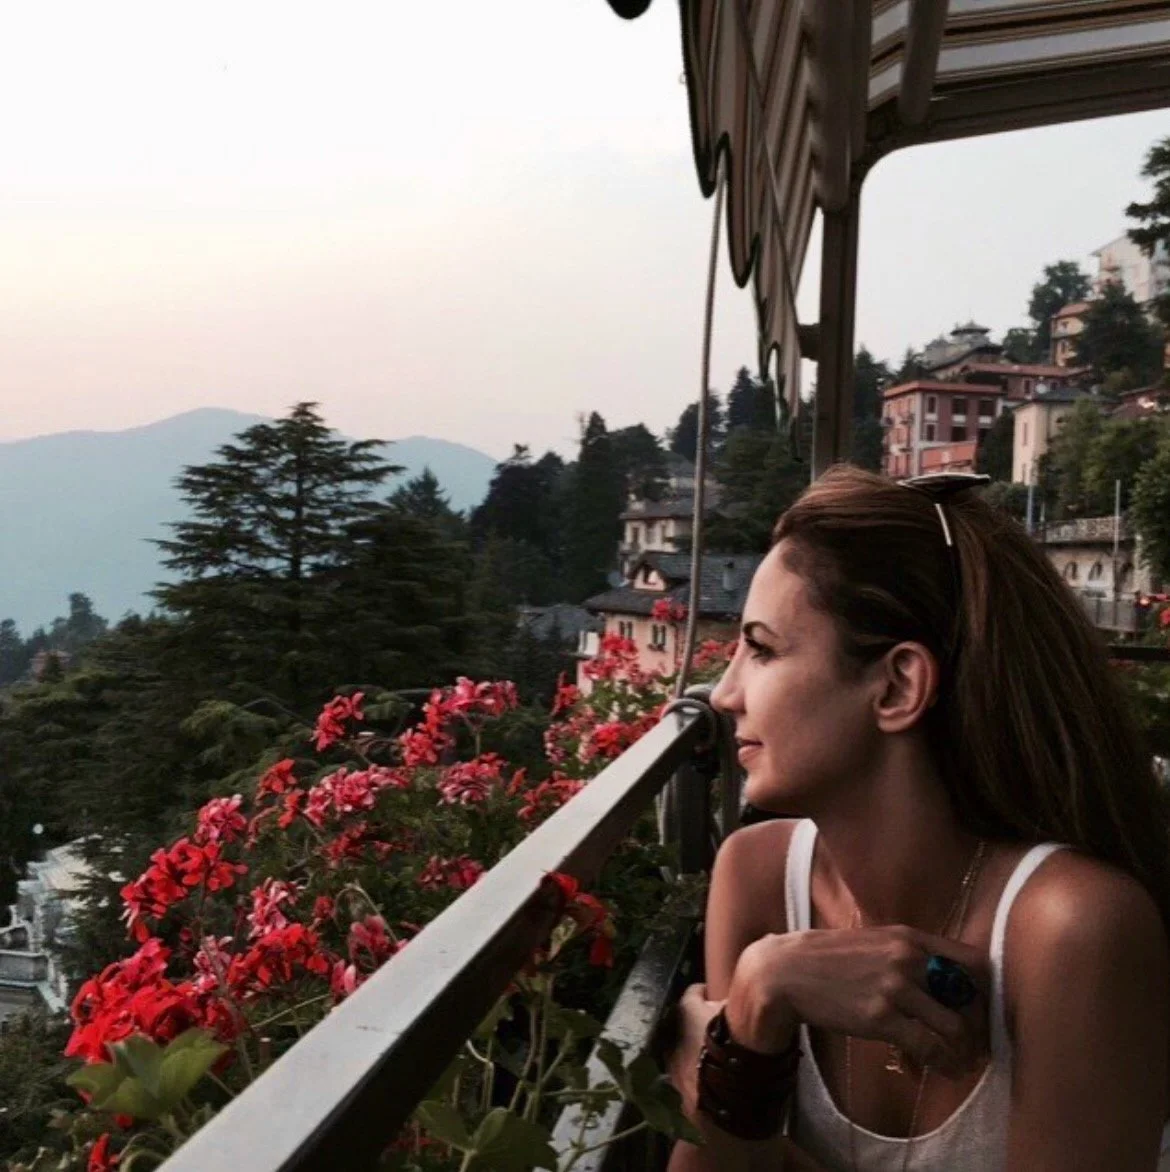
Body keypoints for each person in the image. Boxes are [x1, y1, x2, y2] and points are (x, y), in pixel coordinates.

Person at [667, 465, 1170, 1172]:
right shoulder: (755, 877)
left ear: (898, 685)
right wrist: (755, 1005)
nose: (722, 694)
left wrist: (716, 1084)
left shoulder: (1071, 929)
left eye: (762, 649)